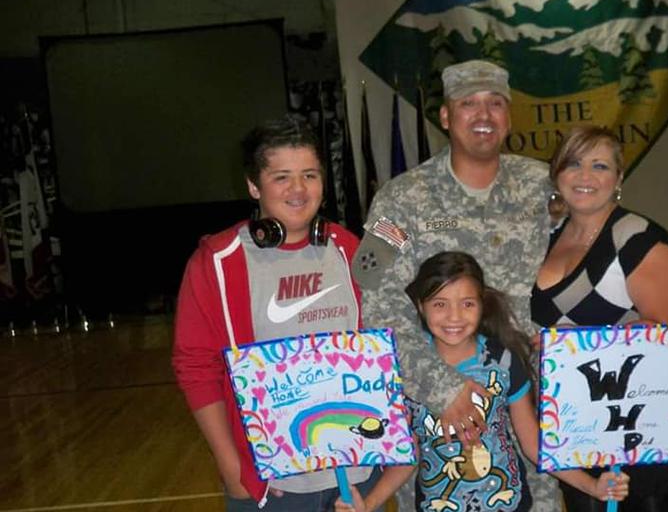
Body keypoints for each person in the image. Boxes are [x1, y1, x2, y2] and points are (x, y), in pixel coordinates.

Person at [353, 60, 558, 510]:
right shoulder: (402, 200)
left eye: (496, 103)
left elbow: (585, 261)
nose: (483, 115)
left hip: (529, 410)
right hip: (437, 422)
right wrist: (439, 388)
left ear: (508, 116)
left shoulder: (544, 188)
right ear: (445, 116)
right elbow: (378, 302)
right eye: (468, 103)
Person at [172, 116, 377, 511]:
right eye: (282, 177)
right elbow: (195, 367)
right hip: (271, 485)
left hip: (354, 476)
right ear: (254, 185)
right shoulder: (216, 261)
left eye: (310, 175)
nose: (298, 189)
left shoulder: (348, 248)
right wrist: (232, 466)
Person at [337, 252, 629, 512]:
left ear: (482, 304)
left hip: (507, 501)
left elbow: (532, 445)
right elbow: (407, 455)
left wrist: (592, 486)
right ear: (420, 306)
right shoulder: (408, 369)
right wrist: (369, 503)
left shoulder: (504, 360)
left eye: (467, 303)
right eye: (440, 303)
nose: (454, 316)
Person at [530, 125, 668, 512]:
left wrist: (576, 348)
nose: (585, 176)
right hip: (575, 420)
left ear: (618, 179)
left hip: (640, 430)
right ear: (557, 174)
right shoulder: (545, 236)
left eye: (600, 166)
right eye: (574, 163)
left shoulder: (642, 242)